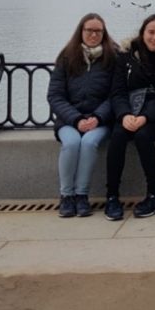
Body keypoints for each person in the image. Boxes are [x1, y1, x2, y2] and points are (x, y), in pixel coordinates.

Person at [104, 13, 155, 221]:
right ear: (142, 33)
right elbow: (118, 91)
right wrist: (123, 115)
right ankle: (112, 196)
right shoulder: (126, 56)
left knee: (142, 135)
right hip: (130, 112)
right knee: (118, 135)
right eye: (151, 32)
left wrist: (146, 117)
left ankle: (154, 193)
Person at [47, 13, 117, 218]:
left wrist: (97, 117)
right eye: (89, 30)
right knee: (71, 143)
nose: (94, 35)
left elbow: (115, 95)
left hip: (101, 120)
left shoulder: (112, 57)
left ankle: (81, 195)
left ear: (104, 33)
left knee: (88, 143)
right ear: (81, 31)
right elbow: (55, 95)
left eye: (98, 31)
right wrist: (76, 119)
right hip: (70, 120)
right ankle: (66, 195)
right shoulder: (67, 57)